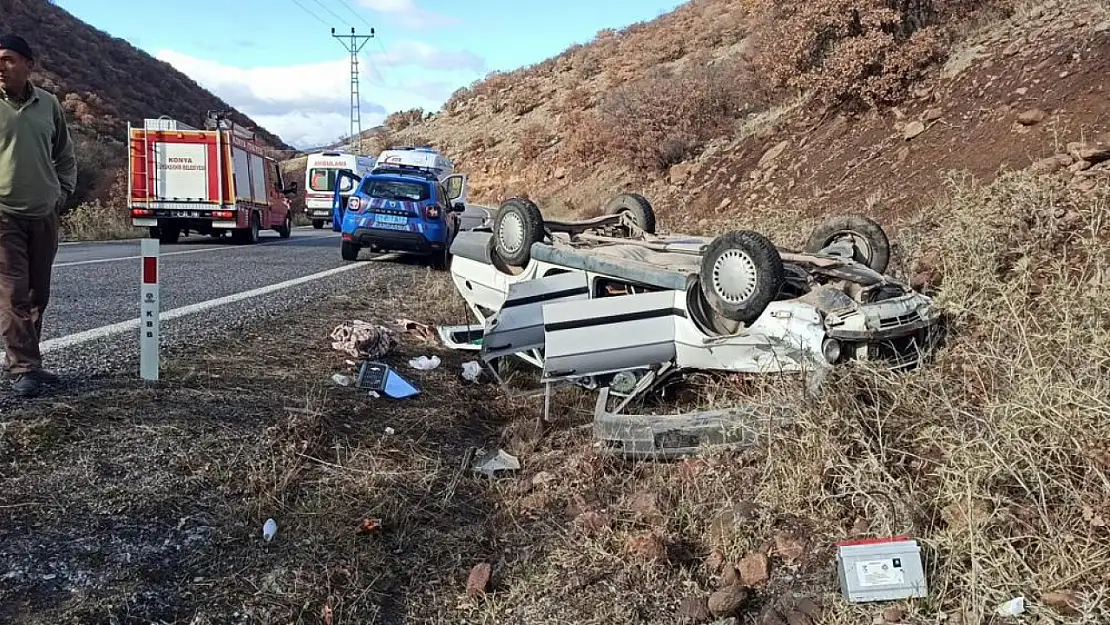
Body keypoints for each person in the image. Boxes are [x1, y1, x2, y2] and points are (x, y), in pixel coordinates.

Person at [0, 34, 76, 397]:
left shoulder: (49, 104)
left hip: (44, 212)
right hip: (3, 214)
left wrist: (61, 193)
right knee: (12, 292)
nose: (1, 66)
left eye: (8, 58)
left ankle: (28, 361)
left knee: (36, 293)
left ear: (29, 64)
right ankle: (24, 366)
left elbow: (64, 154)